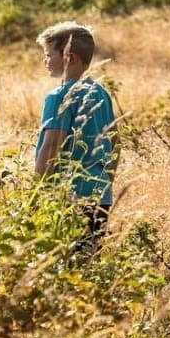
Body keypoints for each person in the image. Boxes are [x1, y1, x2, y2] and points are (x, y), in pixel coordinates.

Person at [32, 21, 118, 242]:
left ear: (69, 58)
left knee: (63, 257)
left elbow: (52, 145)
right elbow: (115, 140)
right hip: (100, 194)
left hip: (67, 196)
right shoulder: (101, 93)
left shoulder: (59, 97)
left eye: (48, 55)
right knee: (89, 256)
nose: (45, 61)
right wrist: (106, 180)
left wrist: (35, 193)